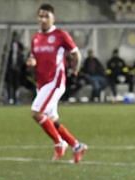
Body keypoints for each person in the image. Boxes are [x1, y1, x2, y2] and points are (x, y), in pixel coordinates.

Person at [26, 3, 88, 163]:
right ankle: (76, 146)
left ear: (53, 18)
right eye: (40, 16)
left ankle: (59, 143)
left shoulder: (60, 35)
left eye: (46, 16)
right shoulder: (36, 38)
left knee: (36, 112)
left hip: (55, 81)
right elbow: (33, 58)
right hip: (41, 82)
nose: (43, 19)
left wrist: (75, 69)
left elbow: (76, 54)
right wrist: (31, 63)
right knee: (51, 119)